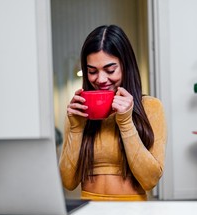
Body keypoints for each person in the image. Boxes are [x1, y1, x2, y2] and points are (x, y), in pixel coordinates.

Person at [59, 25, 167, 201]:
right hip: (89, 213)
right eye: (92, 71)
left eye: (110, 70)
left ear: (126, 66)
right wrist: (77, 129)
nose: (100, 79)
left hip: (133, 213)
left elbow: (150, 180)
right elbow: (68, 182)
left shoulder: (151, 107)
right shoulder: (78, 112)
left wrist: (126, 122)